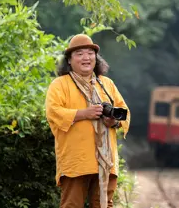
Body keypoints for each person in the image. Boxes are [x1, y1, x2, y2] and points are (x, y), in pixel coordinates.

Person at [45, 34, 131, 208]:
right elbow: (53, 112)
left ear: (96, 58)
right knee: (71, 205)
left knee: (104, 205)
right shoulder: (59, 84)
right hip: (76, 161)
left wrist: (112, 122)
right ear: (69, 60)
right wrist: (84, 113)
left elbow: (125, 113)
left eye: (90, 53)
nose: (86, 58)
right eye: (80, 54)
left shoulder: (107, 84)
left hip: (105, 162)